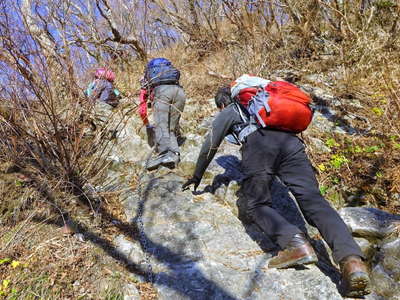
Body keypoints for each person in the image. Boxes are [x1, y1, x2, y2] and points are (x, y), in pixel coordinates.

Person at [182, 82, 371, 298]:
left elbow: (210, 143)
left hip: (260, 145)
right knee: (313, 201)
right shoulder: (266, 105)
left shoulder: (232, 109)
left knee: (256, 203)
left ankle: (295, 244)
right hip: (292, 145)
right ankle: (353, 262)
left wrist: (197, 176)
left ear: (223, 102)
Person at [138, 58, 186, 171]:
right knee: (171, 129)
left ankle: (165, 154)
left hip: (162, 93)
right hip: (179, 92)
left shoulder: (146, 82)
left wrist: (147, 124)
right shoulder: (169, 75)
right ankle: (175, 155)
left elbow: (142, 109)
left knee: (161, 126)